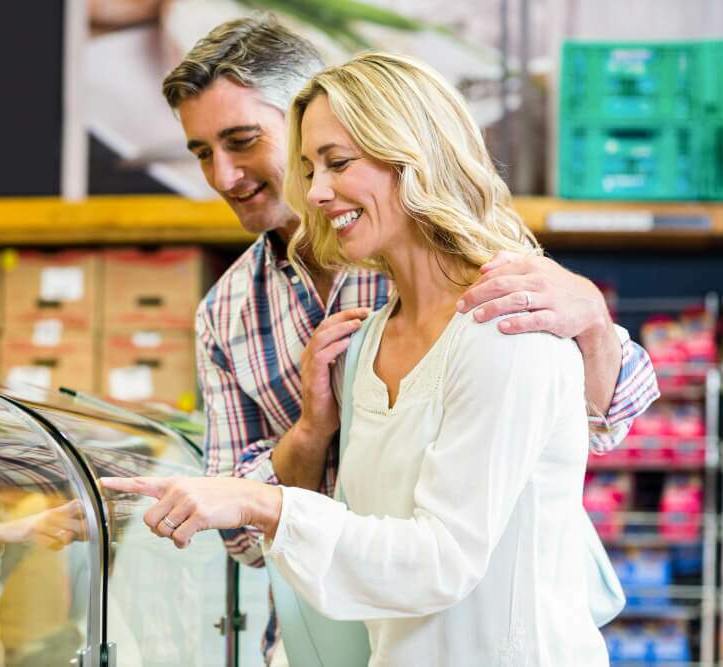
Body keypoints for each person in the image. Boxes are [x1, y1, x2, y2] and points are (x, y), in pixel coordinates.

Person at [160, 15, 658, 662]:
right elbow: (240, 536)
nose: (224, 176)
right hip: (345, 632)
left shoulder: (497, 306)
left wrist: (591, 318)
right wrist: (311, 431)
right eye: (201, 152)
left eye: (243, 140)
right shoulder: (240, 314)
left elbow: (601, 421)